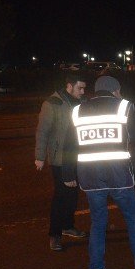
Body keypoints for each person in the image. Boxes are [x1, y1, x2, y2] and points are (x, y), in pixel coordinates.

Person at [63, 76, 135, 269]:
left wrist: (67, 174)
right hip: (119, 176)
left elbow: (69, 146)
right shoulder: (124, 107)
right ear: (116, 91)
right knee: (133, 219)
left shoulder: (77, 110)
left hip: (90, 178)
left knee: (98, 222)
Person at [35, 73, 88, 251]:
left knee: (72, 196)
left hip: (76, 158)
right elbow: (42, 132)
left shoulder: (81, 103)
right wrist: (40, 157)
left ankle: (68, 226)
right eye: (80, 88)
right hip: (59, 159)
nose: (83, 91)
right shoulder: (53, 104)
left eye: (84, 88)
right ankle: (55, 234)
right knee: (60, 197)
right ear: (69, 86)